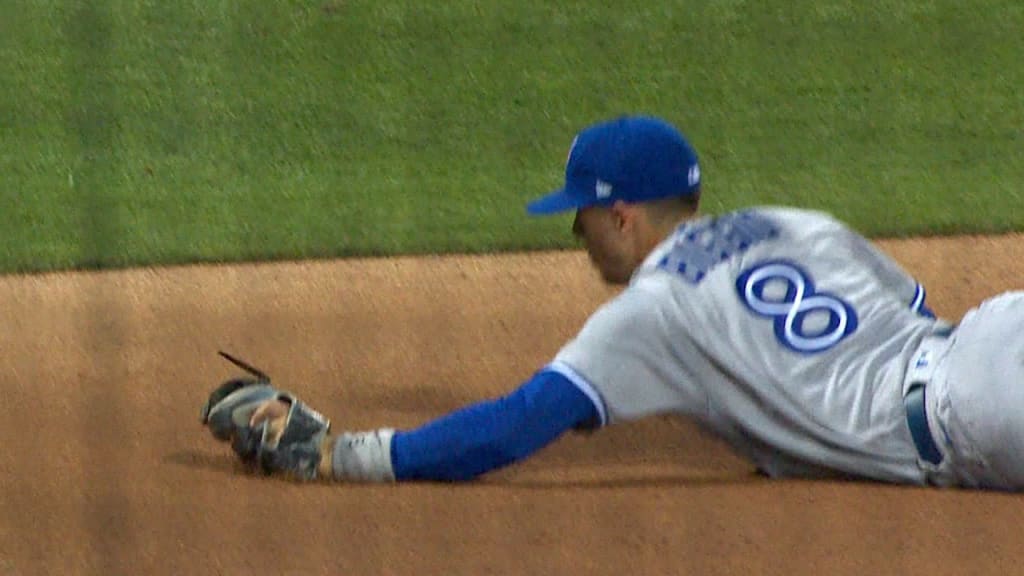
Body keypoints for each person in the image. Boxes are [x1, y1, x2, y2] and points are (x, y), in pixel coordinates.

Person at [201, 115, 1024, 490]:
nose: (577, 238)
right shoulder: (792, 222)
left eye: (582, 218)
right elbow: (912, 307)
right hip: (990, 336)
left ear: (622, 215)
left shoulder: (651, 312)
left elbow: (511, 427)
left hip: (972, 418)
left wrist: (341, 453)